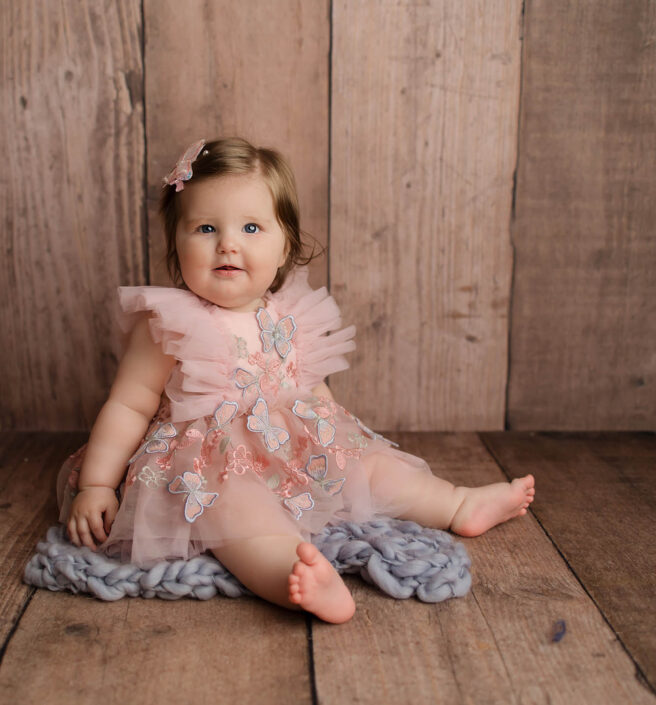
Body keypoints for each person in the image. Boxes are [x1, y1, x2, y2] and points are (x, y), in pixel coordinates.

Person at [58, 137, 534, 623]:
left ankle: (457, 504)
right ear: (175, 244)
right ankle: (297, 579)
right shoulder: (169, 323)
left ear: (285, 244)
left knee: (369, 468)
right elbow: (129, 406)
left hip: (291, 445)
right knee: (235, 516)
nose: (228, 243)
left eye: (251, 227)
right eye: (204, 227)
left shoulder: (289, 314)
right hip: (208, 465)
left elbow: (310, 391)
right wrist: (96, 484)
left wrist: (340, 444)